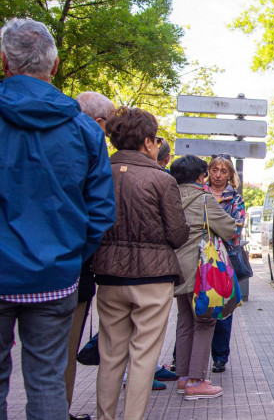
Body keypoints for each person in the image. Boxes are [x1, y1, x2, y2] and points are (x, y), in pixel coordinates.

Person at [0, 18, 116, 420]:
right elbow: (101, 209)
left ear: (3, 61)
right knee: (47, 379)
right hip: (55, 276)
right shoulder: (85, 131)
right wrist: (70, 255)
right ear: (54, 65)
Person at [91, 106, 189, 420]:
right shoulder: (161, 179)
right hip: (153, 276)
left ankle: (105, 415)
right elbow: (176, 234)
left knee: (110, 355)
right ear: (147, 142)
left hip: (109, 274)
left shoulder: (99, 171)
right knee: (144, 356)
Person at [62, 91, 116, 420]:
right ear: (98, 124)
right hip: (64, 271)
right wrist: (81, 255)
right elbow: (100, 211)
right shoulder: (86, 141)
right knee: (57, 359)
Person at [171, 155, 236, 400]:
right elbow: (228, 228)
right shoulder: (204, 198)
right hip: (199, 270)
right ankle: (196, 381)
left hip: (173, 267)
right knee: (205, 321)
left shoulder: (169, 195)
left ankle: (183, 377)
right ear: (201, 176)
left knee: (185, 321)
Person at [206, 153, 246, 373]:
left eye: (223, 171)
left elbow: (235, 229)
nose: (218, 175)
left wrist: (210, 229)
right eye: (215, 170)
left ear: (230, 174)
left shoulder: (235, 198)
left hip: (224, 259)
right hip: (200, 257)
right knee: (195, 307)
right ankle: (181, 357)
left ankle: (220, 357)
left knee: (223, 309)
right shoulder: (200, 193)